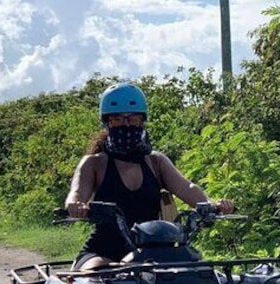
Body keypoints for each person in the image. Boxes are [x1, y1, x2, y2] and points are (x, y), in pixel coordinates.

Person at [65, 82, 234, 270]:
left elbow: (187, 187)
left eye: (133, 118)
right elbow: (76, 192)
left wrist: (211, 204)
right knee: (95, 279)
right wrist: (75, 205)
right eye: (117, 119)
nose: (126, 125)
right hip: (104, 252)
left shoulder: (156, 162)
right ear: (107, 123)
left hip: (155, 252)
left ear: (142, 121)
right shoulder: (93, 163)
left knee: (197, 275)